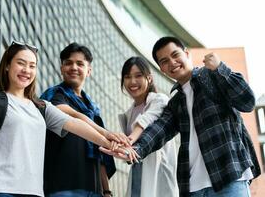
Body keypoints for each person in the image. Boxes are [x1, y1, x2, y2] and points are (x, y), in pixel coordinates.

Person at [102, 37, 261, 197]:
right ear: (162, 69)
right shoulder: (176, 102)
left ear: (186, 54)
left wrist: (220, 68)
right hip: (193, 188)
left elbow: (247, 102)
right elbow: (158, 131)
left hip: (229, 178)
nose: (172, 62)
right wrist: (135, 149)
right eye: (164, 61)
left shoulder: (212, 77)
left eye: (175, 55)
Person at [0, 41, 125, 197]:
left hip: (33, 192)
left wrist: (109, 143)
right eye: (21, 63)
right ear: (7, 65)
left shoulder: (41, 107)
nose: (26, 70)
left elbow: (76, 123)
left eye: (32, 66)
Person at [43, 42, 124, 197]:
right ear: (62, 69)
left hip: (93, 190)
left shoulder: (92, 109)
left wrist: (106, 191)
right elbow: (73, 116)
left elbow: (100, 153)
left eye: (80, 64)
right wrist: (106, 134)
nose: (74, 67)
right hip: (61, 188)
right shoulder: (54, 95)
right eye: (68, 63)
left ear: (88, 71)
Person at [118, 56, 179, 197]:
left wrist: (130, 139)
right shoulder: (128, 114)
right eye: (127, 77)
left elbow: (147, 119)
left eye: (138, 76)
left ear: (149, 78)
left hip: (159, 174)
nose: (132, 82)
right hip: (137, 174)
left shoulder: (160, 100)